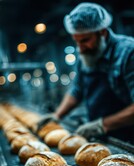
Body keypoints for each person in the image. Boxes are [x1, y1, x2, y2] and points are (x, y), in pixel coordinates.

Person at [38, 2, 134, 144]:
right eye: (76, 41)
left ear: (102, 32)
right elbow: (77, 91)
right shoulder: (86, 55)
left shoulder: (128, 53)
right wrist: (57, 115)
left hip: (129, 135)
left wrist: (103, 125)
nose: (80, 48)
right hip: (103, 136)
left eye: (85, 40)